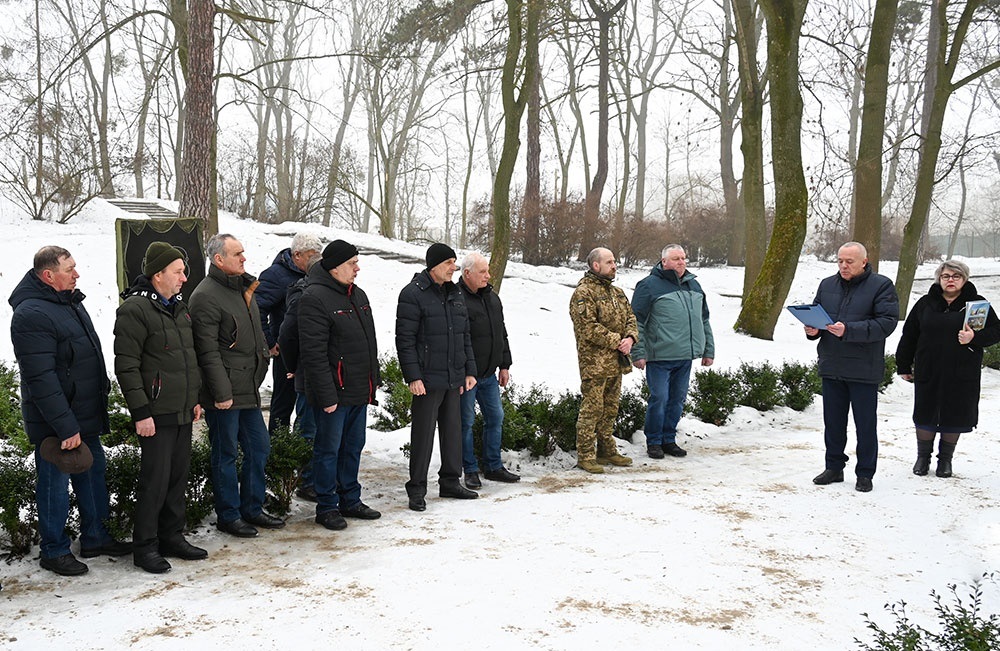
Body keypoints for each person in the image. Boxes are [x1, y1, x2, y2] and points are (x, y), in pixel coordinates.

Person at [9, 246, 130, 576]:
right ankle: (53, 549)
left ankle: (96, 536)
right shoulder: (32, 314)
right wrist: (64, 426)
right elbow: (40, 378)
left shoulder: (69, 303)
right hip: (57, 423)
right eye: (70, 269)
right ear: (49, 276)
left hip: (83, 414)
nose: (77, 274)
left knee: (93, 473)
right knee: (54, 485)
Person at [113, 242, 206, 574]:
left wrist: (193, 398)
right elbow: (126, 366)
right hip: (154, 414)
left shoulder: (179, 308)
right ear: (158, 274)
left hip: (182, 410)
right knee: (155, 481)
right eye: (178, 272)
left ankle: (172, 536)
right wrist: (141, 413)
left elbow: (187, 359)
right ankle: (145, 547)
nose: (184, 278)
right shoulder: (134, 310)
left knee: (178, 478)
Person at [189, 234, 284, 537]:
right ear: (219, 260)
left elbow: (256, 336)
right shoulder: (205, 295)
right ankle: (228, 515)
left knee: (259, 447)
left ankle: (252, 508)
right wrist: (221, 393)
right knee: (225, 453)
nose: (244, 258)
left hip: (248, 388)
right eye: (237, 254)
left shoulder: (244, 289)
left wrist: (264, 361)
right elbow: (207, 351)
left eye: (243, 252)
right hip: (225, 394)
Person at [298, 240, 382, 530]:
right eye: (352, 263)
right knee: (328, 449)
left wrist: (374, 381)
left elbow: (369, 343)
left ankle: (350, 498)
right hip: (333, 393)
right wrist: (326, 394)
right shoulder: (314, 298)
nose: (357, 268)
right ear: (334, 267)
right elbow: (313, 353)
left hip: (359, 388)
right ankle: (327, 505)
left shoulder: (357, 295)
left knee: (353, 447)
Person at [805, 242, 898, 492]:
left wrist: (848, 330)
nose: (843, 266)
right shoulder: (827, 285)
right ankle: (833, 467)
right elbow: (817, 314)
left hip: (863, 368)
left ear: (864, 262)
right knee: (833, 423)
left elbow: (886, 323)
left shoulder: (882, 286)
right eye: (840, 261)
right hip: (832, 363)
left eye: (849, 262)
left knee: (865, 425)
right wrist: (812, 330)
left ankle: (865, 473)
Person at [895, 260, 1000, 478]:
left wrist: (974, 338)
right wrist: (903, 364)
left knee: (956, 413)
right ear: (939, 279)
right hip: (929, 368)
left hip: (962, 371)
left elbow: (996, 331)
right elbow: (910, 335)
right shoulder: (925, 304)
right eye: (945, 276)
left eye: (956, 276)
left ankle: (945, 460)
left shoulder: (977, 304)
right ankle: (923, 457)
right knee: (925, 411)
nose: (950, 280)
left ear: (964, 279)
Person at [396, 243, 479, 511]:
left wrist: (469, 370)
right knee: (422, 435)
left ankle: (450, 482)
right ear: (434, 265)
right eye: (448, 263)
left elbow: (464, 335)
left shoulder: (455, 294)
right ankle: (417, 488)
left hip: (454, 377)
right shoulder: (413, 294)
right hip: (427, 380)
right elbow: (405, 340)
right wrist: (413, 376)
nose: (453, 268)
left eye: (455, 262)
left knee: (453, 432)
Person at [631, 245, 715, 459]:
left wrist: (708, 350)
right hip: (660, 355)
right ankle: (654, 442)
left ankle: (669, 439)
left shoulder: (694, 285)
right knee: (659, 398)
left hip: (685, 355)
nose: (681, 262)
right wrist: (638, 352)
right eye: (676, 258)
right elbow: (635, 322)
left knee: (677, 399)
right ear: (664, 261)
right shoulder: (648, 286)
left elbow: (703, 320)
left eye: (684, 258)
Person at [569, 247, 639, 474]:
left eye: (615, 261)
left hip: (616, 362)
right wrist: (617, 340)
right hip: (595, 364)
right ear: (595, 265)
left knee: (610, 409)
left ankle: (607, 450)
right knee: (592, 409)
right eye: (609, 262)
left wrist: (630, 338)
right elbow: (587, 327)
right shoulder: (583, 293)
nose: (615, 265)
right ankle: (586, 456)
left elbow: (631, 317)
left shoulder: (617, 292)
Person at [457, 253, 519, 489]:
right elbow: (458, 341)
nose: (488, 276)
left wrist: (505, 364)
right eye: (483, 272)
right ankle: (469, 469)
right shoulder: (456, 298)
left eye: (488, 271)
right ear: (467, 274)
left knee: (496, 418)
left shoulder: (493, 298)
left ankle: (493, 466)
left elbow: (500, 333)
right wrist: (465, 372)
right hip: (467, 377)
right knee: (466, 422)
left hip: (489, 375)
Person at [255, 233, 322, 436]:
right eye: (312, 256)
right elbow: (256, 308)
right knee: (283, 404)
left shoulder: (316, 274)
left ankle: (302, 452)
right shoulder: (275, 276)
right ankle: (278, 453)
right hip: (286, 350)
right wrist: (269, 341)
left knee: (309, 405)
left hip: (309, 352)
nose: (316, 261)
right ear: (298, 255)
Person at [277, 252, 322, 502]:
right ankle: (305, 481)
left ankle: (318, 477)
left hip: (326, 376)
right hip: (307, 374)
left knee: (320, 431)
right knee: (308, 429)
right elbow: (287, 335)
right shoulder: (302, 294)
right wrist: (294, 364)